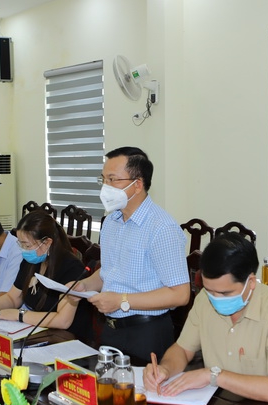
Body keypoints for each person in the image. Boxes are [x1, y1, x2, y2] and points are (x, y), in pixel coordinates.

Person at [143, 233, 268, 405]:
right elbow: (182, 350)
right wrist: (165, 369)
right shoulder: (204, 300)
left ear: (251, 282)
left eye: (225, 293)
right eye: (210, 290)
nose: (216, 298)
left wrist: (213, 376)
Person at [70, 146, 189, 362]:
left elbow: (180, 294)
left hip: (147, 332)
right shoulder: (112, 221)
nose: (106, 187)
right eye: (103, 179)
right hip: (111, 329)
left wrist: (122, 300)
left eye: (113, 179)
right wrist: (84, 286)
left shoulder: (162, 228)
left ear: (138, 184)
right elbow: (109, 272)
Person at [0, 211, 91, 343]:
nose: (23, 249)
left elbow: (63, 321)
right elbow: (13, 297)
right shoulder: (31, 261)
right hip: (37, 331)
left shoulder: (71, 268)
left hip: (68, 339)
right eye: (20, 244)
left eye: (27, 245)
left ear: (47, 242)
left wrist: (19, 315)